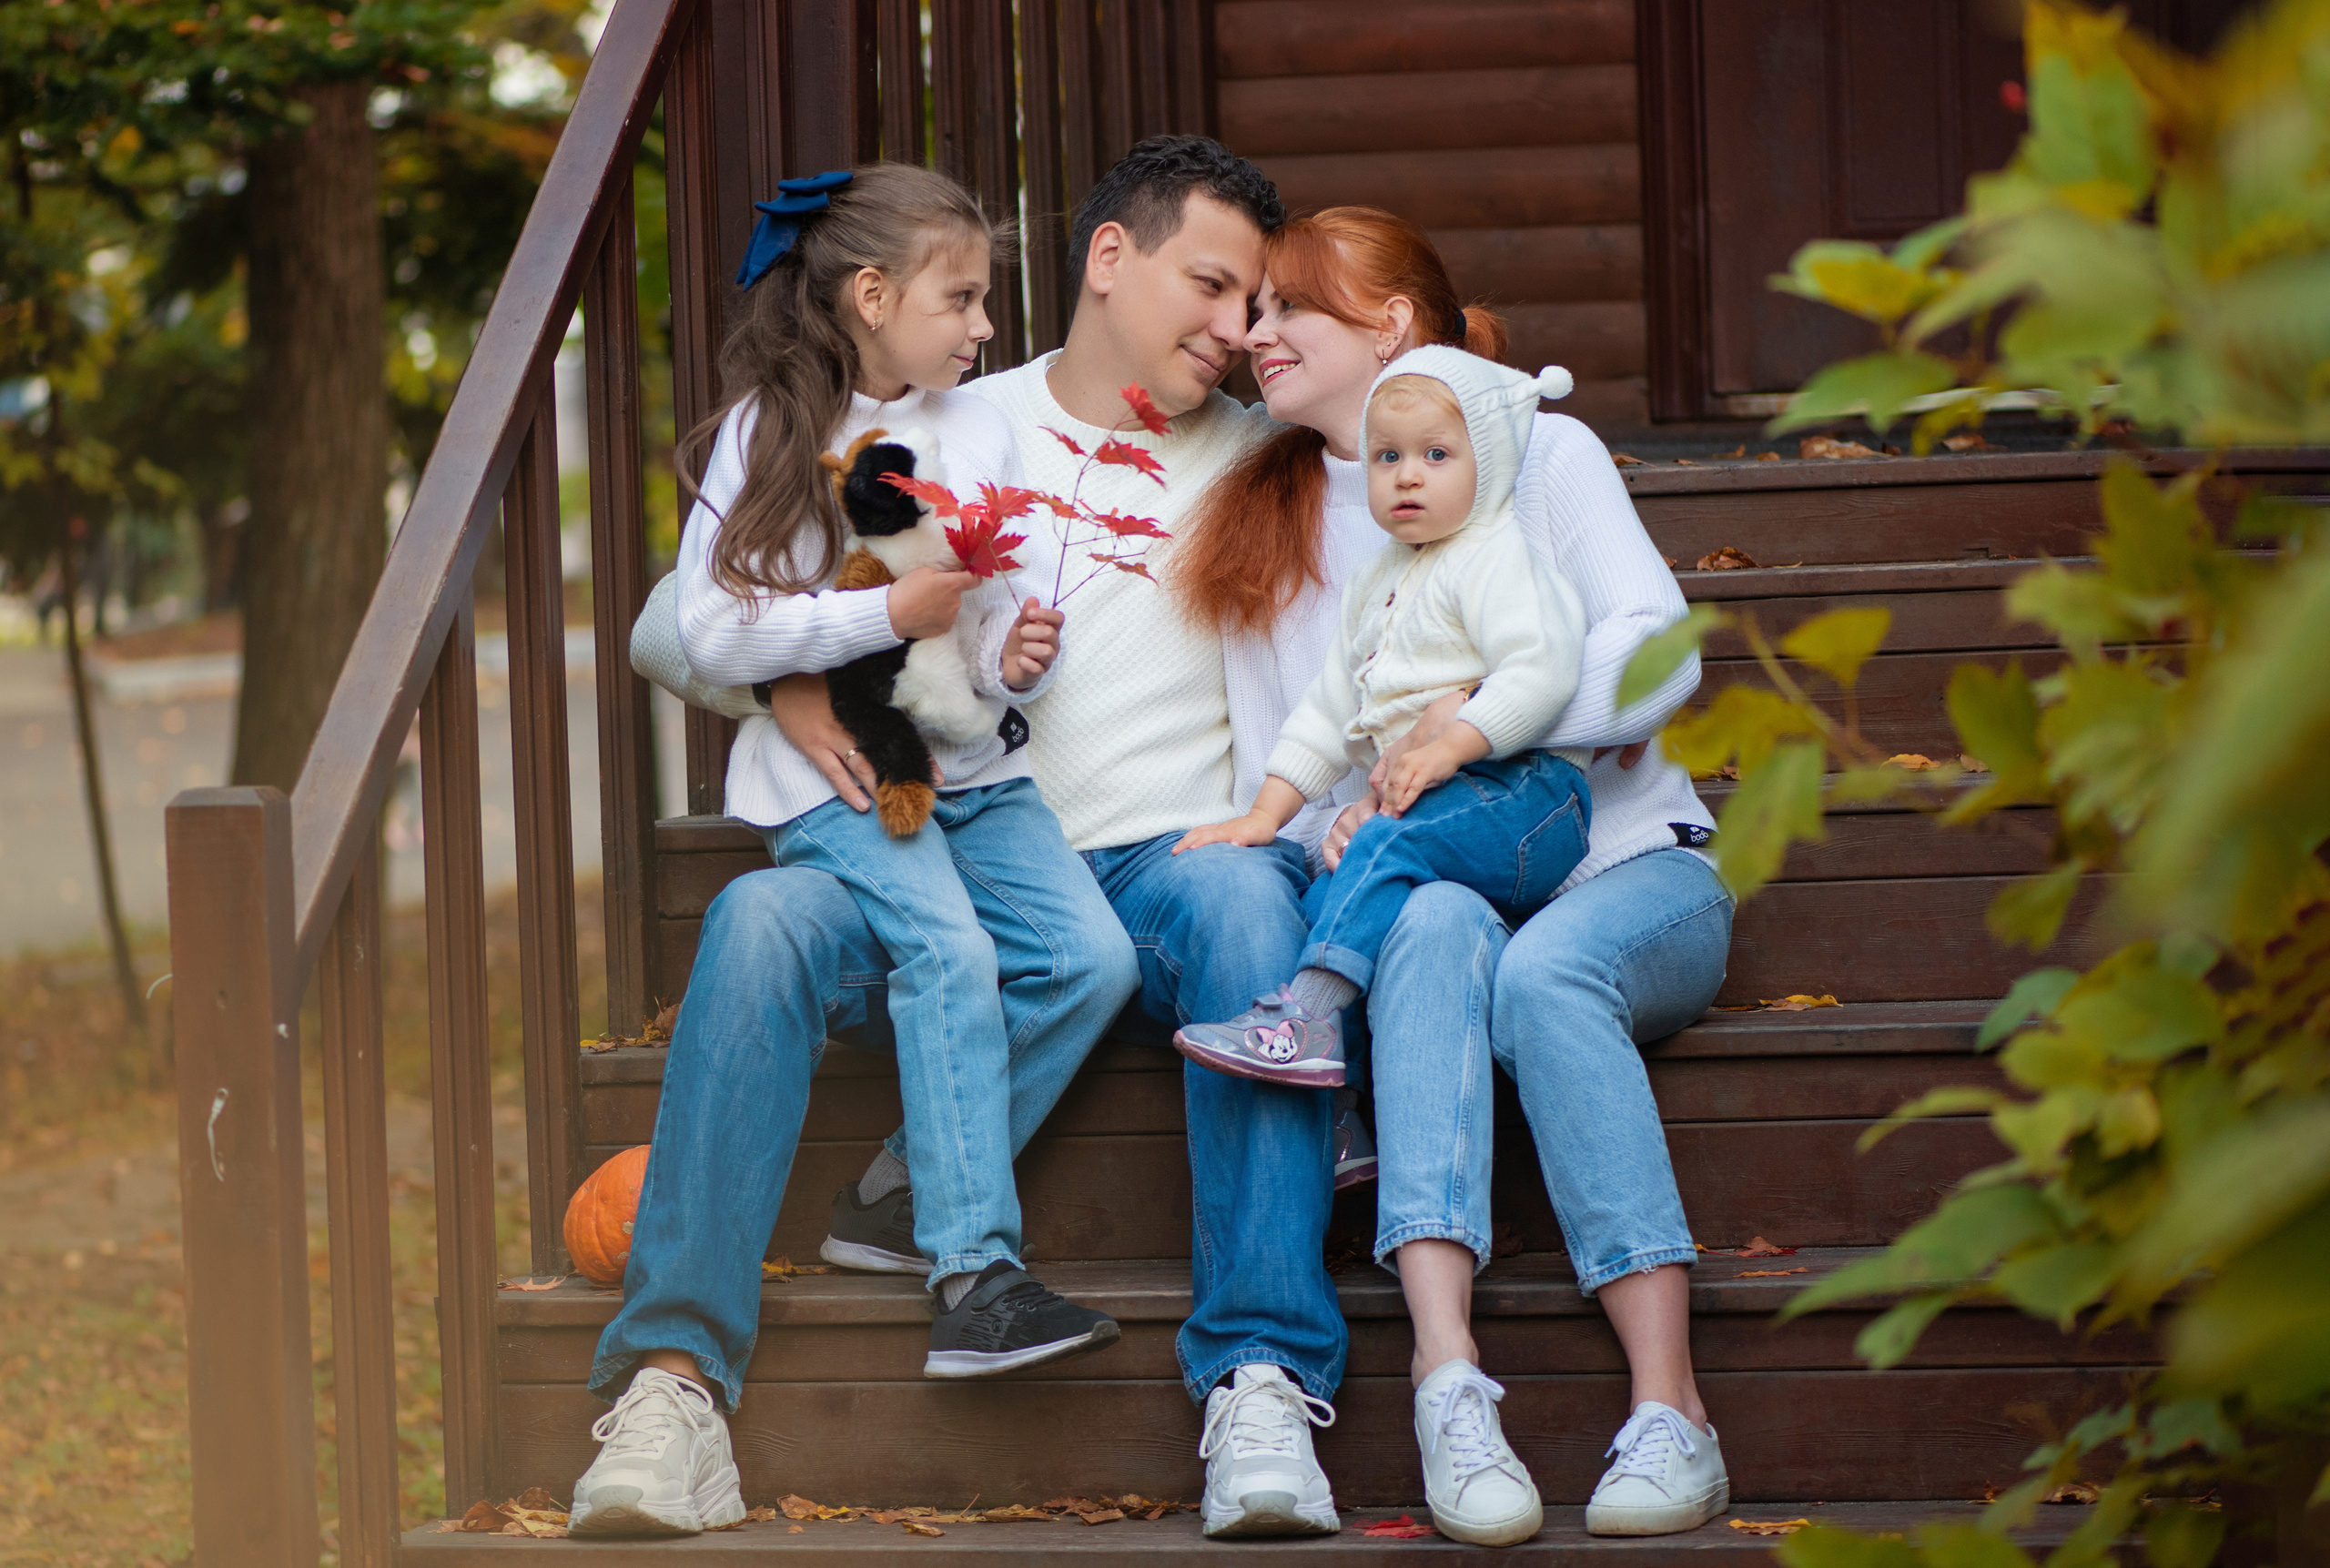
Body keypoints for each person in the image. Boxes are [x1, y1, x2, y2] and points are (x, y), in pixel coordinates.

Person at [569, 162, 1139, 1538]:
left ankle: (893, 1193)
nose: (989, 326)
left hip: (974, 775)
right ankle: (961, 1277)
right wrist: (863, 632)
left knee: (1088, 956)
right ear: (872, 296)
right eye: (965, 296)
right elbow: (701, 630)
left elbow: (973, 630)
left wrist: (1007, 657)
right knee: (923, 944)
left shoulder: (977, 424)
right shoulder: (774, 427)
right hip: (845, 784)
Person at [1173, 205, 1736, 1543]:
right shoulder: (1276, 515)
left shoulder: (1543, 452)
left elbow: (1661, 651)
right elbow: (1296, 764)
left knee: (1545, 976)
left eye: (1287, 308)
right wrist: (1323, 825)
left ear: (1389, 325)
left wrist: (1469, 723)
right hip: (1436, 893)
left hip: (1619, 864)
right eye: (1250, 310)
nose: (1256, 335)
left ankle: (1676, 1410)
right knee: (1427, 921)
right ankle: (1447, 1377)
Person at [1170, 349, 1590, 1089]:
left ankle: (1306, 1017)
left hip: (1530, 799)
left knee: (1380, 841)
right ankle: (1338, 1084)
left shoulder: (1496, 558)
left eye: (1436, 454)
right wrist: (1265, 816)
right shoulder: (1380, 578)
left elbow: (1543, 669)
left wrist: (1454, 741)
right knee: (1331, 887)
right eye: (1387, 456)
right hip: (1441, 803)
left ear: (1485, 462)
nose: (1408, 474)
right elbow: (1331, 707)